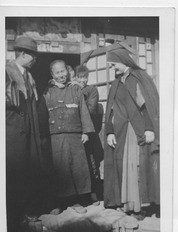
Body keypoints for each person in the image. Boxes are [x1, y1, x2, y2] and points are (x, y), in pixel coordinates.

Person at [104, 48, 159, 218]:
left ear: (123, 61)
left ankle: (140, 206)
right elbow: (111, 111)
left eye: (114, 65)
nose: (113, 68)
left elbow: (148, 106)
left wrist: (150, 128)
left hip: (138, 130)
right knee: (123, 166)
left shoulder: (139, 78)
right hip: (121, 131)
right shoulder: (116, 83)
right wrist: (109, 131)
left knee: (137, 167)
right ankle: (127, 204)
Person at [38, 60, 95, 214]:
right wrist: (43, 137)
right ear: (52, 75)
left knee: (78, 168)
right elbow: (42, 115)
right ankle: (59, 203)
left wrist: (86, 132)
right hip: (55, 137)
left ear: (67, 71)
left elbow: (83, 110)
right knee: (60, 169)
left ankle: (77, 201)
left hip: (75, 135)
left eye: (63, 71)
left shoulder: (75, 89)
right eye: (57, 72)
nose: (61, 75)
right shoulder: (47, 92)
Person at [6, 36, 44, 232]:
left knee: (28, 171)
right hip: (11, 131)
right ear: (22, 54)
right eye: (33, 56)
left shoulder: (29, 76)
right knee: (13, 174)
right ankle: (12, 218)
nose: (34, 60)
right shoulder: (6, 71)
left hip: (28, 131)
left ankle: (25, 214)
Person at [74, 65, 103, 203]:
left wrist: (79, 93)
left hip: (88, 131)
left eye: (85, 77)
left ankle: (94, 193)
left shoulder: (92, 90)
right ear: (75, 77)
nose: (82, 80)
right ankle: (78, 196)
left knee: (91, 162)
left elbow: (90, 110)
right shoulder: (71, 88)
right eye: (79, 77)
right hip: (74, 132)